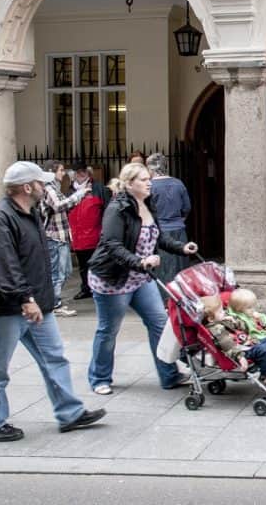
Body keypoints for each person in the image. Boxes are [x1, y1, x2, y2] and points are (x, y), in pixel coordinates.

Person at [0, 161, 107, 442]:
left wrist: (39, 300)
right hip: (8, 307)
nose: (46, 186)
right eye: (41, 183)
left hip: (37, 304)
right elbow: (5, 266)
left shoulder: (30, 212)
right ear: (27, 187)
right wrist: (25, 299)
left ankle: (70, 413)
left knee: (55, 358)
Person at [86, 162, 199, 395]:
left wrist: (182, 247)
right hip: (113, 279)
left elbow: (158, 237)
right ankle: (99, 378)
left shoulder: (148, 204)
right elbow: (111, 245)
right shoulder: (117, 209)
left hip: (139, 278)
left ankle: (169, 375)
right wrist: (140, 262)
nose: (149, 182)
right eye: (143, 179)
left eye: (149, 178)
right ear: (129, 184)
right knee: (108, 330)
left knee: (159, 322)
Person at [201, 295, 266, 388]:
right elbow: (227, 344)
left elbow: (244, 328)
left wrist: (233, 321)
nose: (224, 312)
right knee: (264, 349)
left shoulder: (223, 321)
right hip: (242, 352)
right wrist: (240, 357)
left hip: (249, 344)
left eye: (223, 309)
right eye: (220, 311)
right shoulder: (216, 329)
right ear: (210, 319)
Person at [40, 160, 90, 317]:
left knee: (65, 271)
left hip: (60, 237)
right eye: (61, 170)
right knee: (57, 273)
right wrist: (79, 194)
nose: (63, 173)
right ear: (51, 172)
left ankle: (54, 301)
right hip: (54, 237)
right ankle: (54, 304)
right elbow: (59, 206)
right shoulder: (49, 189)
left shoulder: (54, 188)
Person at [146, 153, 192, 282]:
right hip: (179, 229)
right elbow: (186, 208)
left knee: (163, 270)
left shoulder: (149, 186)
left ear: (151, 168)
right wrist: (180, 220)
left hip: (159, 232)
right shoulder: (178, 183)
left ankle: (165, 299)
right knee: (181, 268)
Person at [67, 162, 110, 300]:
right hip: (78, 236)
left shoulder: (99, 189)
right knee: (82, 266)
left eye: (83, 171)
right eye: (78, 171)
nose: (81, 174)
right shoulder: (69, 191)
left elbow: (108, 211)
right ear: (73, 175)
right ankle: (86, 288)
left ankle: (99, 289)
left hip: (96, 235)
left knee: (98, 263)